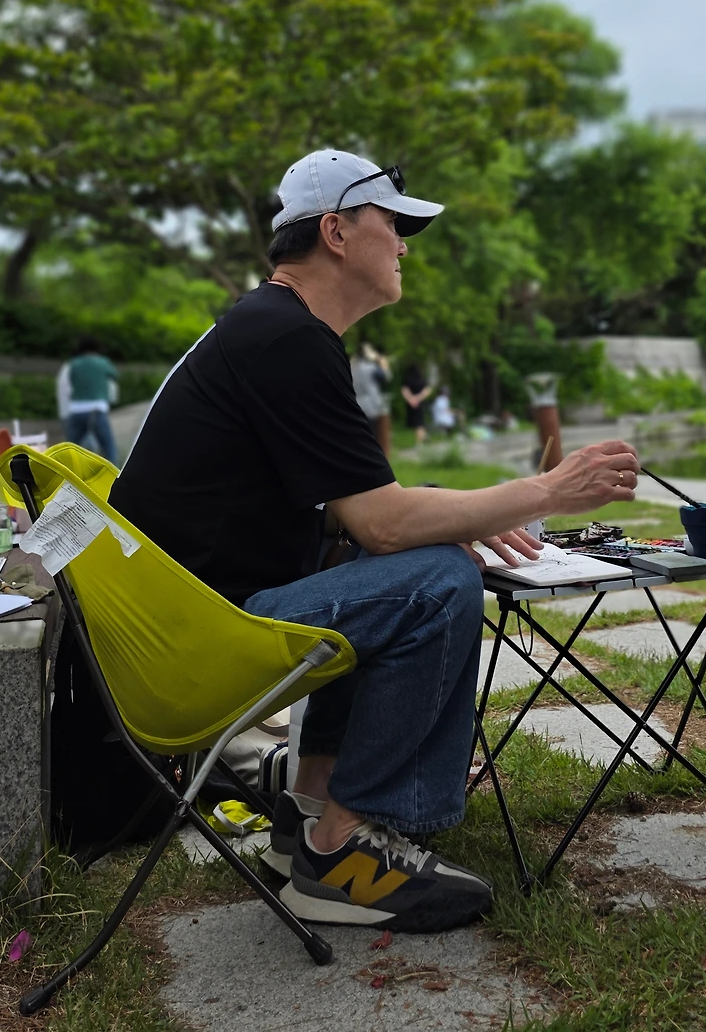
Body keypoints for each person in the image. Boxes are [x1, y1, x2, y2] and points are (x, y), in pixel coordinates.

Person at [109, 148, 639, 934]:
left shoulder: (273, 327)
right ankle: (344, 847)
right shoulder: (285, 338)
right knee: (437, 581)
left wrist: (462, 512)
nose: (403, 247)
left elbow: (345, 511)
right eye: (393, 225)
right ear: (336, 232)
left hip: (187, 622)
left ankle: (311, 811)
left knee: (418, 557)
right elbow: (383, 522)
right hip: (197, 642)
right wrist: (550, 491)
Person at [57, 336, 120, 466]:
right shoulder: (103, 362)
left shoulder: (73, 364)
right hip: (97, 409)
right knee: (108, 448)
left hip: (76, 409)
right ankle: (116, 474)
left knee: (69, 449)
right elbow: (114, 376)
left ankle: (65, 473)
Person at [350, 343, 391, 455]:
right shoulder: (371, 368)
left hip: (356, 404)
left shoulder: (352, 368)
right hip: (371, 407)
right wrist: (380, 359)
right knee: (372, 437)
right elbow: (387, 376)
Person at [399, 361, 431, 445]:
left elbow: (404, 390)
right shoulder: (422, 379)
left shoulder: (407, 379)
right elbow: (426, 390)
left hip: (411, 403)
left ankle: (421, 439)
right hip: (420, 403)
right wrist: (418, 398)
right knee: (420, 422)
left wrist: (411, 399)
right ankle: (421, 439)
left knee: (417, 422)